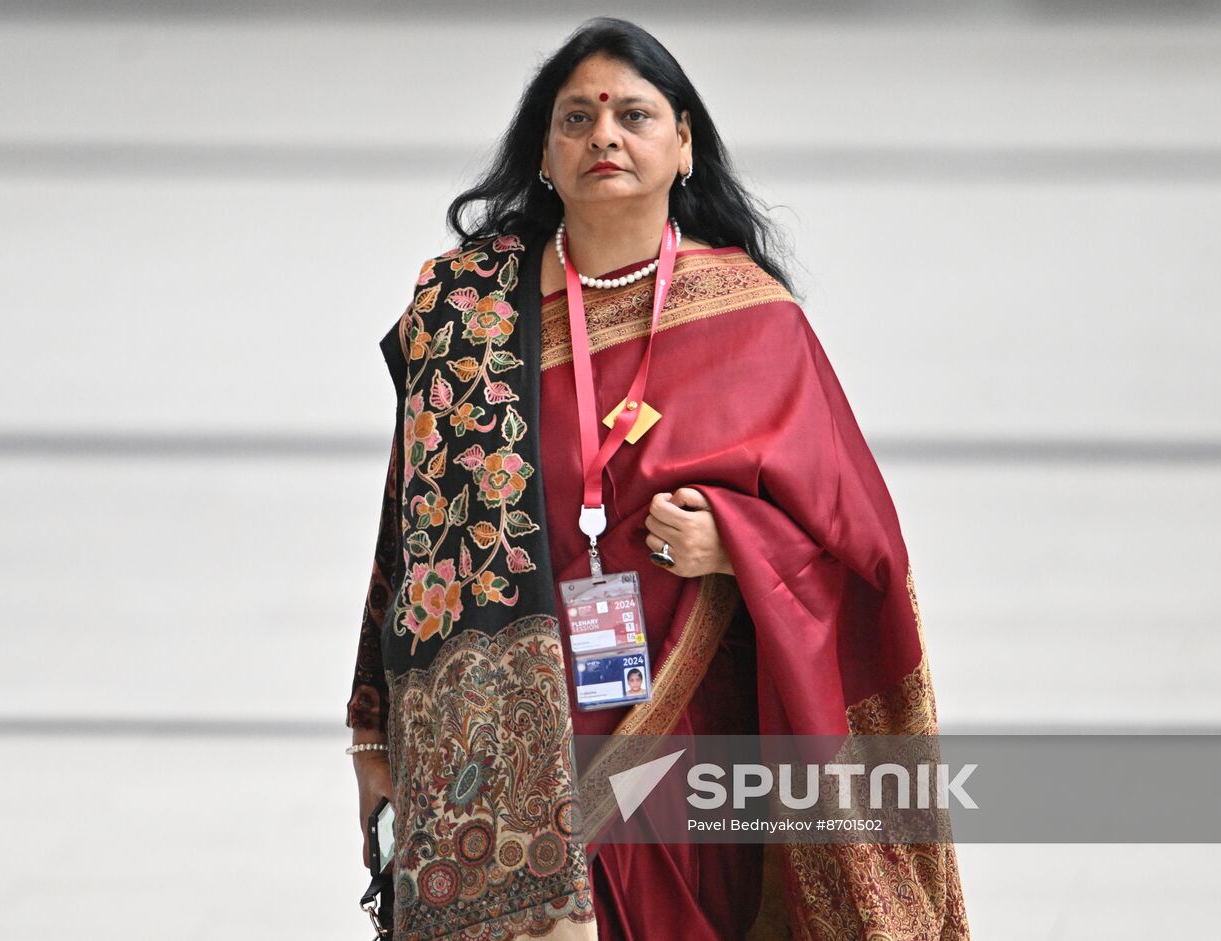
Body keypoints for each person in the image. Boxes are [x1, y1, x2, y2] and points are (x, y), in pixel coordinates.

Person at [347, 16, 971, 941]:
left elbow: (862, 553)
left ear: (684, 144)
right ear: (544, 158)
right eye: (576, 120)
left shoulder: (755, 321)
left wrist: (738, 542)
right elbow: (414, 534)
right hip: (502, 748)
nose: (605, 135)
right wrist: (371, 729)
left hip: (683, 740)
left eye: (634, 114)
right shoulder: (465, 312)